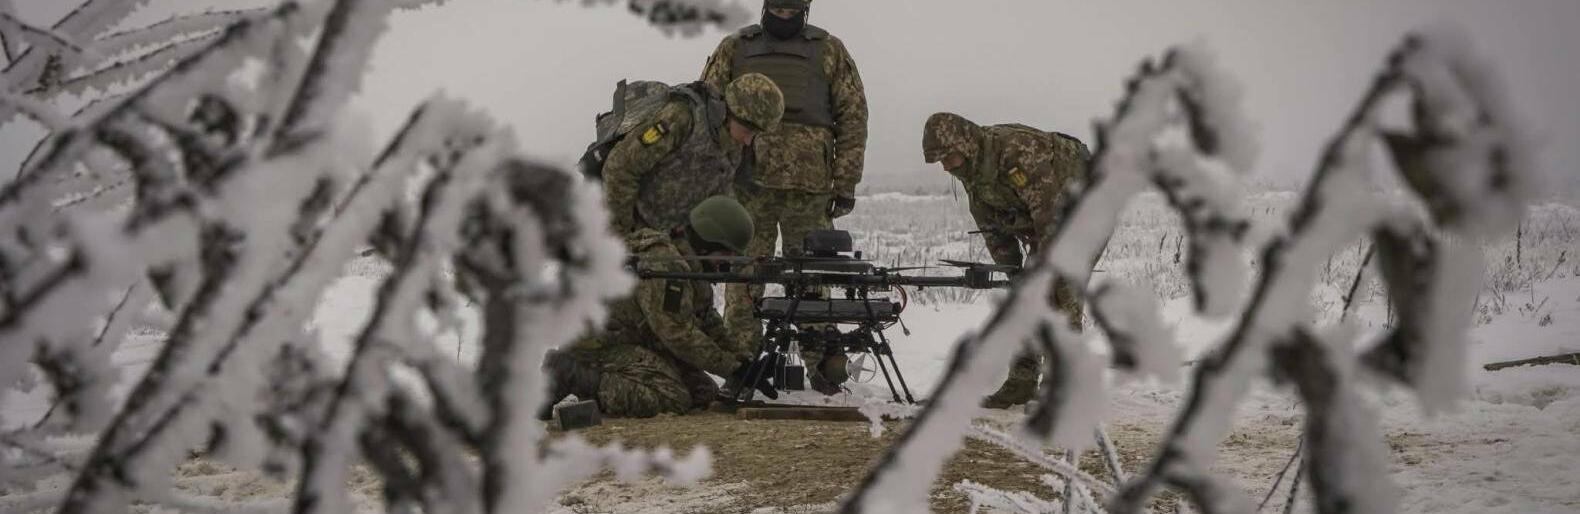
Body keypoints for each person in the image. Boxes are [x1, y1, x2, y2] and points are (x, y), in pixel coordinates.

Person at [700, 0, 868, 391]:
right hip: (748, 185)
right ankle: (742, 367)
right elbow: (709, 109)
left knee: (812, 279)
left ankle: (822, 367)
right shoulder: (735, 47)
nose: (785, 19)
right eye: (779, 11)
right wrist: (713, 176)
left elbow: (853, 115)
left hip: (809, 189)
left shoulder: (829, 50)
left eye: (793, 13)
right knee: (743, 279)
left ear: (805, 12)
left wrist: (845, 182)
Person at [542, 196, 774, 418]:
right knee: (671, 397)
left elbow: (708, 321)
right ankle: (571, 373)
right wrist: (732, 368)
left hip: (633, 339)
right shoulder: (667, 264)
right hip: (598, 344)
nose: (728, 261)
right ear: (706, 244)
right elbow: (677, 334)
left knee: (703, 393)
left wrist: (745, 363)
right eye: (725, 253)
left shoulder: (692, 266)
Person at [921, 112, 1092, 409]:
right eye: (941, 162)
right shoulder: (973, 172)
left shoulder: (1017, 152)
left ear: (965, 145)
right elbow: (991, 228)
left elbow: (1050, 215)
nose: (946, 166)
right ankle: (1021, 383)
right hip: (1048, 220)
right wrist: (1013, 271)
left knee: (1060, 292)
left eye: (948, 157)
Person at [601, 73, 784, 236]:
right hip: (638, 230)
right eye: (747, 131)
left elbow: (722, 196)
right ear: (730, 114)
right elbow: (620, 168)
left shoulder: (732, 143)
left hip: (680, 236)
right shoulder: (680, 118)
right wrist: (621, 236)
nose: (748, 141)